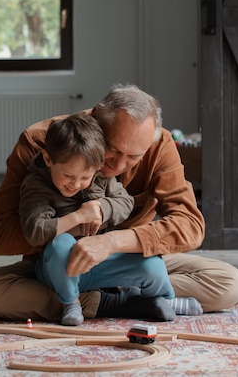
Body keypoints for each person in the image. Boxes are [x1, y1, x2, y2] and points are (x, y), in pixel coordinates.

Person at [0, 83, 238, 322]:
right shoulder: (41, 143)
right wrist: (73, 225)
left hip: (127, 259)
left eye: (134, 157)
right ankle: (121, 301)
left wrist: (112, 242)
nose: (120, 166)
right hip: (58, 265)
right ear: (96, 119)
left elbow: (190, 225)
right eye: (113, 150)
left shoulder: (159, 146)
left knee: (229, 284)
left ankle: (84, 303)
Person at [20, 113, 176, 325]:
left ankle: (168, 300)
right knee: (61, 245)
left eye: (85, 177)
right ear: (48, 159)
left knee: (152, 264)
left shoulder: (100, 176)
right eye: (68, 176)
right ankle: (72, 303)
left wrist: (101, 208)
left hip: (100, 263)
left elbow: (126, 203)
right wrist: (79, 217)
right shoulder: (37, 185)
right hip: (59, 269)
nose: (75, 184)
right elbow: (35, 231)